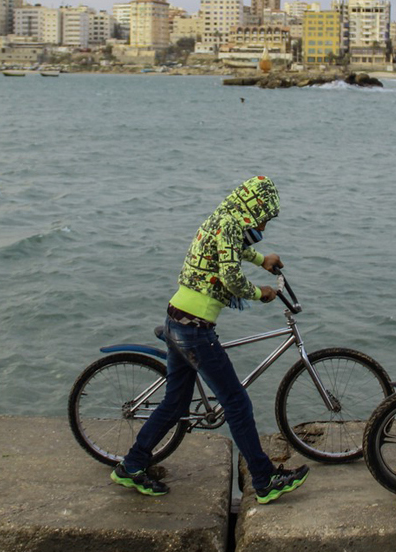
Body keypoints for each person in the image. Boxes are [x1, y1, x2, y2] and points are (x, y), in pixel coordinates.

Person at [111, 176, 310, 504]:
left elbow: (229, 252)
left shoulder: (224, 219)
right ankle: (264, 479)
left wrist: (263, 260)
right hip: (194, 330)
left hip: (178, 317)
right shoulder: (230, 224)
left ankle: (131, 466)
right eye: (263, 215)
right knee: (237, 402)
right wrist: (259, 293)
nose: (263, 222)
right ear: (252, 207)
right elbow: (231, 278)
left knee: (175, 403)